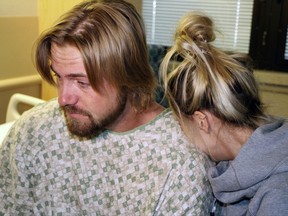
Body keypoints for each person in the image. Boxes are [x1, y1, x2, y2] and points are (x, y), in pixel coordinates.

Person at [0, 1, 214, 215]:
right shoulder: (31, 132)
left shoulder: (179, 164)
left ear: (127, 76)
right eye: (59, 77)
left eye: (82, 82)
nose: (63, 99)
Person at [160, 12, 288, 216]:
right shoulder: (252, 151)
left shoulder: (278, 197)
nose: (183, 135)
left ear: (202, 121)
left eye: (182, 124)